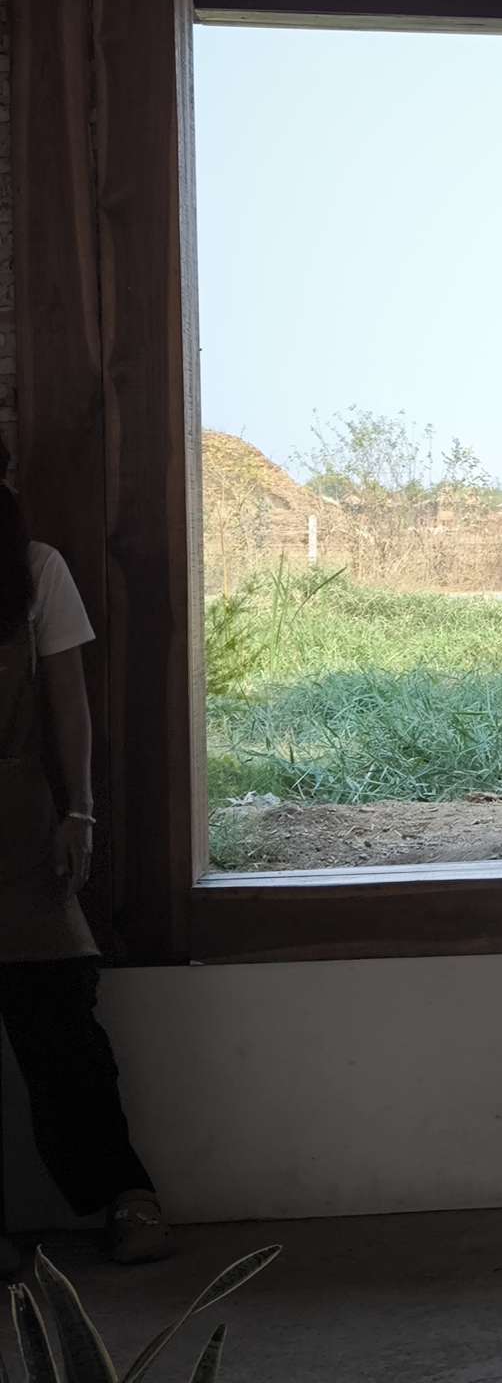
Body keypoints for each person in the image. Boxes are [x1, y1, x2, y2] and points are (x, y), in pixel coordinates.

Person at [0, 436, 168, 1269]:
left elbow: (70, 704)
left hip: (21, 829)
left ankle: (126, 1198)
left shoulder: (35, 570)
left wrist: (82, 812)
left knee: (62, 1029)